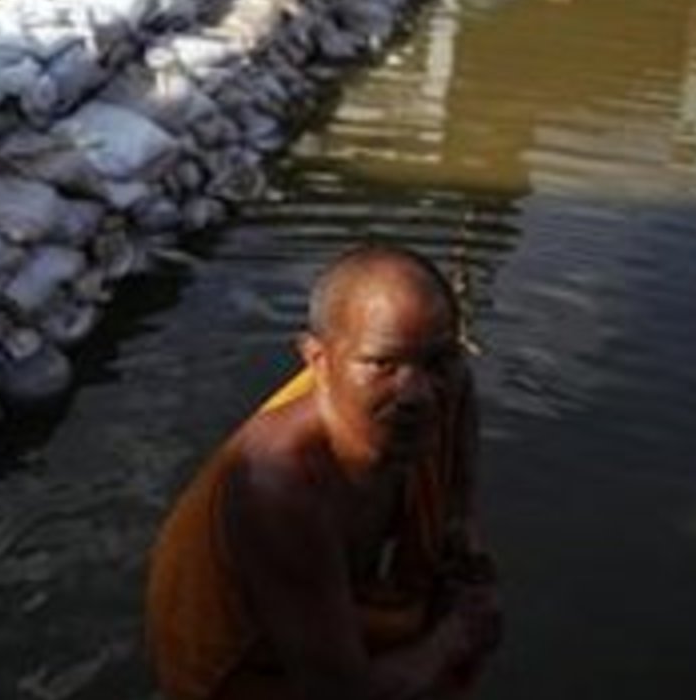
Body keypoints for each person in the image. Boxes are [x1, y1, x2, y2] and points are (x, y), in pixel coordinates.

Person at [146, 246, 500, 700]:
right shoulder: (279, 484)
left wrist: (461, 523)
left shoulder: (441, 395)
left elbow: (462, 390)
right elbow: (336, 694)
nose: (416, 395)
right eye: (381, 364)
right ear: (317, 360)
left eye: (436, 362)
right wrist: (455, 636)